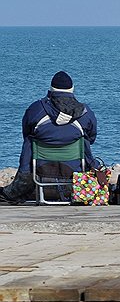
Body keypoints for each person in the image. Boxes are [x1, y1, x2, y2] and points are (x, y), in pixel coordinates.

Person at [0, 71, 97, 204]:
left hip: (41, 167)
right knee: (83, 141)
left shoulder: (36, 109)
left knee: (30, 140)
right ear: (72, 89)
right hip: (75, 168)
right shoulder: (85, 113)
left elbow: (26, 132)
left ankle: (20, 188)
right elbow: (91, 138)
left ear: (51, 89)